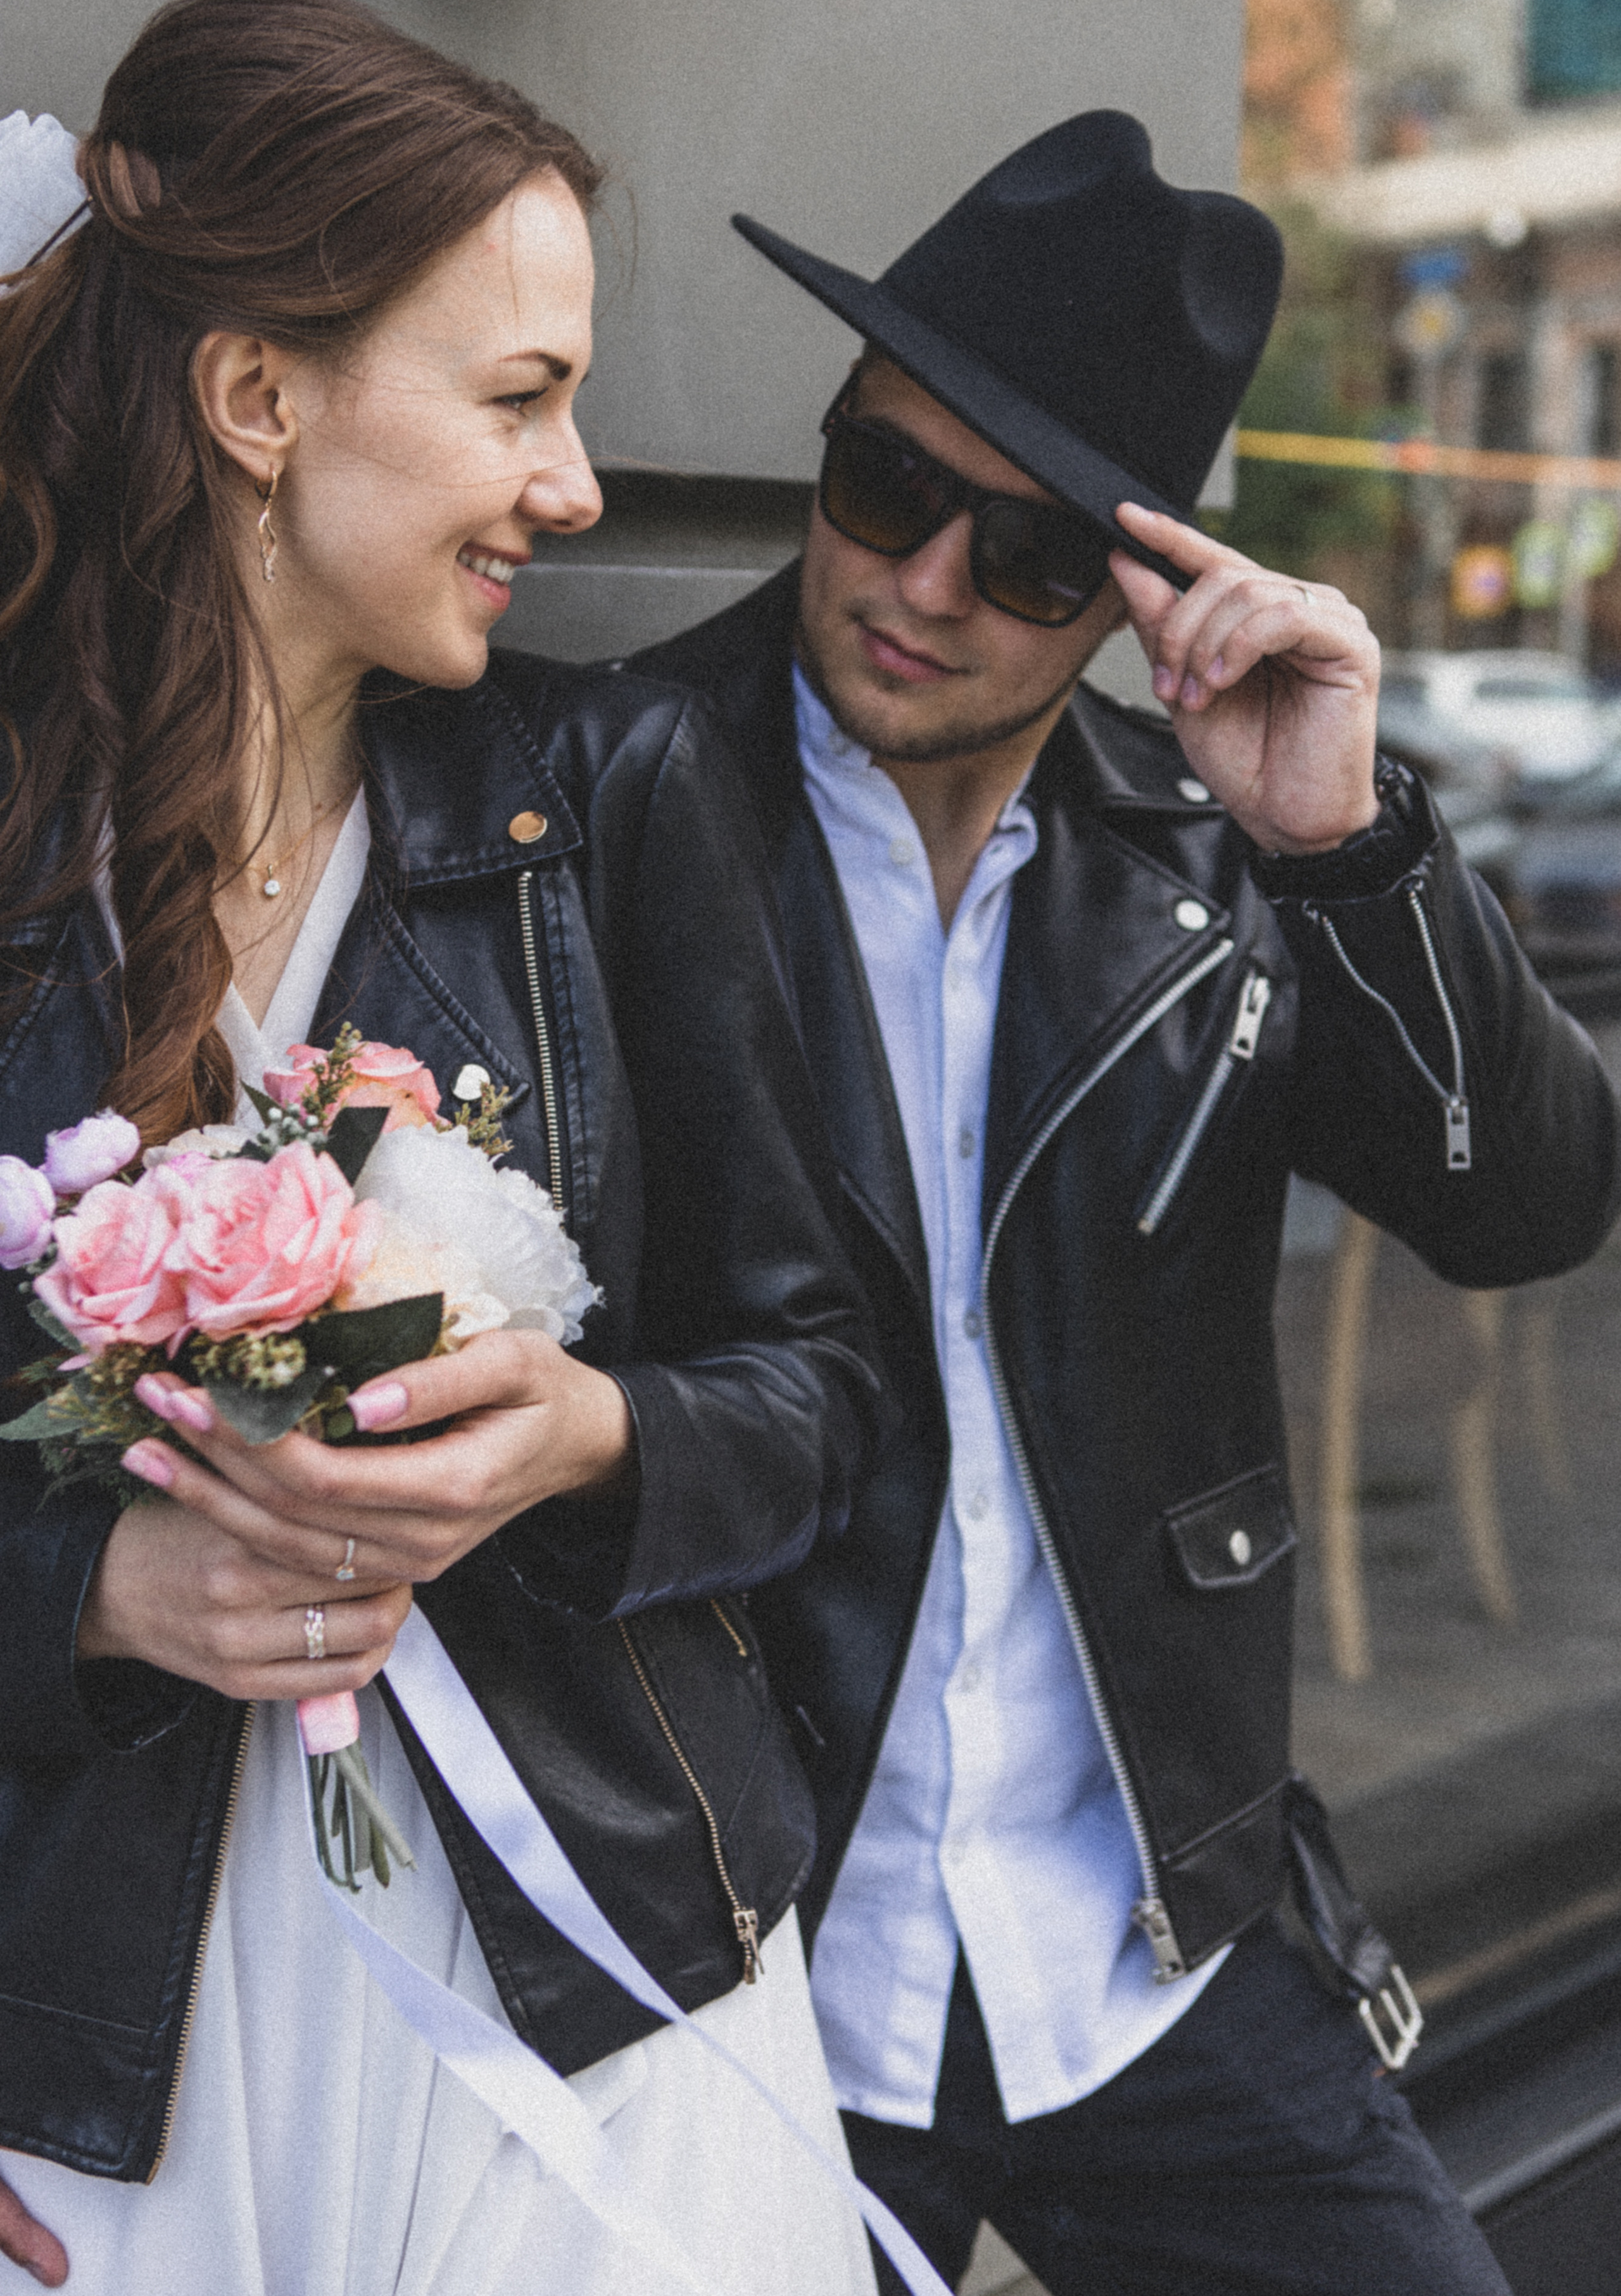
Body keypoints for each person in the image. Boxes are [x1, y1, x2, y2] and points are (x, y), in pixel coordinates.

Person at [620, 111, 1621, 2295]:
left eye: (1037, 561)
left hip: (1152, 1942)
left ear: (1141, 588)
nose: (926, 586)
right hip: (759, 1961)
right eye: (887, 486)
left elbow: (1531, 1207)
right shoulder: (606, 806)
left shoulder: (1216, 853)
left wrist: (1349, 850)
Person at [0, 0, 886, 2296]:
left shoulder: (611, 803)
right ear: (260, 400)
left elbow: (829, 1391)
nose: (579, 488)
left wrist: (589, 1433)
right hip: (104, 2045)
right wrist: (85, 1592)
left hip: (602, 1975)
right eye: (519, 400)